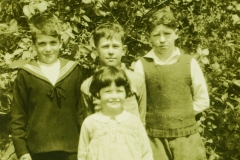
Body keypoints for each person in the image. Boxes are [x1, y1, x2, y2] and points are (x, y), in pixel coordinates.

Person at [134, 7, 210, 160]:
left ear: (176, 33)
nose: (162, 40)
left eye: (167, 34)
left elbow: (203, 100)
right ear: (149, 38)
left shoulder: (189, 63)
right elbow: (137, 104)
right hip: (154, 138)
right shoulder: (142, 65)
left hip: (187, 137)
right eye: (156, 35)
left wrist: (181, 115)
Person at [11, 13, 84, 160]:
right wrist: (23, 152)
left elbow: (81, 112)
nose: (48, 49)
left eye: (53, 42)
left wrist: (85, 145)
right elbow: (18, 116)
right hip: (37, 151)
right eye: (42, 44)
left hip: (71, 149)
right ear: (33, 45)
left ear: (60, 43)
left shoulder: (73, 70)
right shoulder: (26, 74)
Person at [78, 66, 153, 160]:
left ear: (126, 93)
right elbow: (82, 155)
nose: (114, 96)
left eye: (119, 91)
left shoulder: (134, 122)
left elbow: (146, 154)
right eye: (108, 91)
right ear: (97, 93)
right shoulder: (90, 123)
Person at [81, 23, 146, 124]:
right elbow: (89, 123)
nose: (111, 51)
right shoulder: (88, 86)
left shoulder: (136, 80)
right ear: (95, 51)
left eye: (115, 46)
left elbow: (142, 120)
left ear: (123, 50)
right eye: (105, 46)